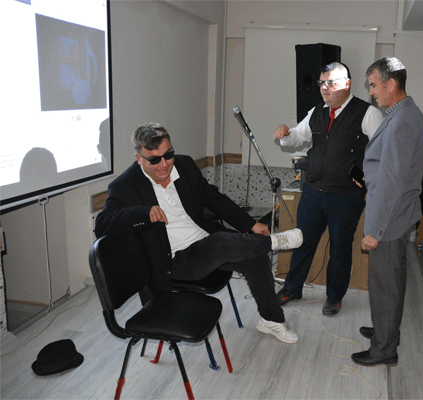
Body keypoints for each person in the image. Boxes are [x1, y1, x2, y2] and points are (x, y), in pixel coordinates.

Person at [95, 123, 304, 344]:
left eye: (168, 155)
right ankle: (273, 242)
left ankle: (271, 319)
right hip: (175, 262)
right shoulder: (125, 185)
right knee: (221, 242)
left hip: (208, 243)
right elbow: (102, 225)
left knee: (254, 256)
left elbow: (214, 199)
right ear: (139, 158)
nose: (164, 164)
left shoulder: (184, 165)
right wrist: (142, 214)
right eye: (154, 160)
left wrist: (250, 224)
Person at [274, 62, 384, 316]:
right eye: (322, 83)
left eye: (331, 83)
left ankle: (334, 297)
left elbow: (382, 152)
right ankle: (291, 288)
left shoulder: (367, 113)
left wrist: (371, 184)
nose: (325, 88)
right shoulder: (317, 112)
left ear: (346, 84)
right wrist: (285, 134)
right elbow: (297, 137)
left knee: (340, 248)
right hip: (312, 192)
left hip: (345, 196)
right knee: (301, 242)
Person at [351, 57, 423, 367]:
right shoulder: (403, 114)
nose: (371, 92)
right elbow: (390, 170)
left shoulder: (402, 121)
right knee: (390, 282)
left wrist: (375, 231)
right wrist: (369, 179)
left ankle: (384, 349)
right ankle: (385, 330)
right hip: (395, 213)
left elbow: (394, 182)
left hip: (390, 219)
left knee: (386, 286)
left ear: (391, 84)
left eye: (373, 85)